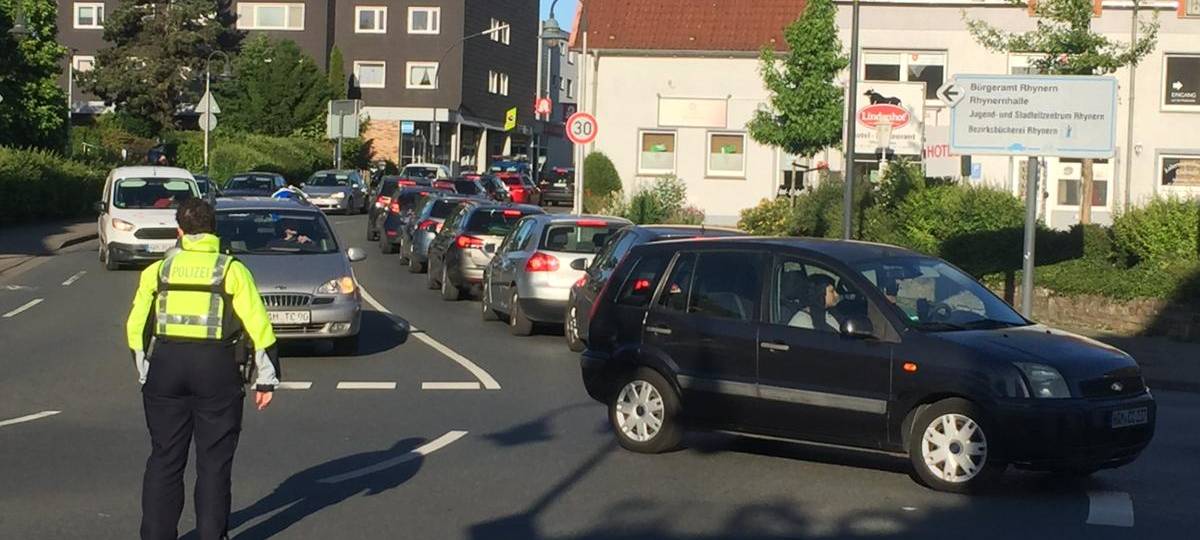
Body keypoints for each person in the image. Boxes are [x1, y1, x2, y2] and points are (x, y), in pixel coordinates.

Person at [126, 198, 281, 540]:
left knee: (165, 458)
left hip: (165, 366)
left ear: (179, 231)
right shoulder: (231, 270)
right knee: (213, 463)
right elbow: (259, 326)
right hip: (216, 367)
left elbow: (136, 327)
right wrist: (266, 381)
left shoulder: (158, 270)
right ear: (213, 230)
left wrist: (144, 370)